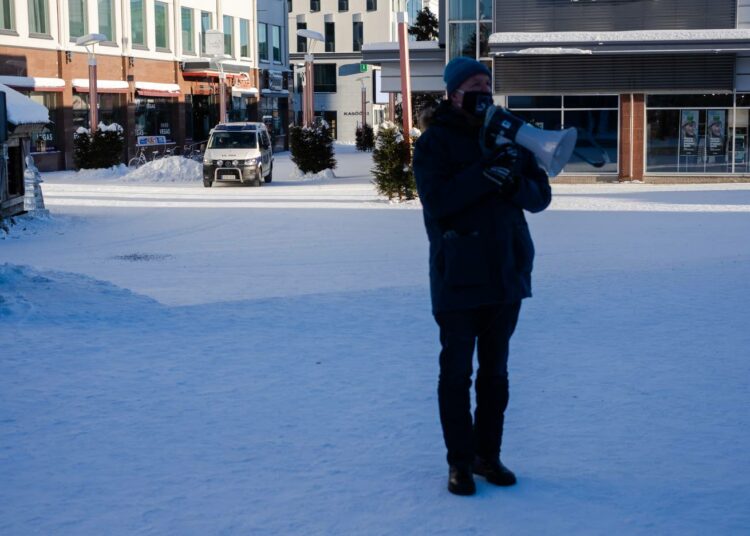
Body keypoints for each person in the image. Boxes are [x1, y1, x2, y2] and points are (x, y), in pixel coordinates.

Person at [412, 57, 551, 496]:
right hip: (457, 277)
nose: (483, 90)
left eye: (487, 83)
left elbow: (539, 197)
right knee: (456, 376)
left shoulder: (512, 134)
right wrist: (486, 173)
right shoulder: (434, 142)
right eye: (473, 83)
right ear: (453, 92)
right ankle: (459, 462)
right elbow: (439, 203)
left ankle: (487, 457)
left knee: (495, 375)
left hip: (506, 272)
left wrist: (512, 181)